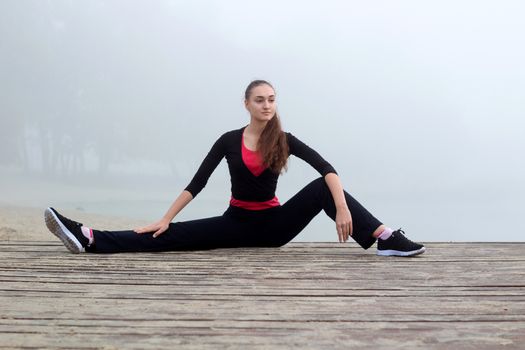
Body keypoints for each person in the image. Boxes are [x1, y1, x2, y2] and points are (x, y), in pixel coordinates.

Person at [44, 79, 425, 257]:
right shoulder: (228, 140)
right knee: (169, 237)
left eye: (272, 100)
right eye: (260, 100)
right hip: (236, 222)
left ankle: (384, 237)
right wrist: (164, 217)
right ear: (245, 103)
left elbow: (328, 169)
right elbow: (196, 183)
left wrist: (341, 207)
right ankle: (89, 238)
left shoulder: (284, 139)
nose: (267, 106)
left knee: (322, 189)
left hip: (274, 226)